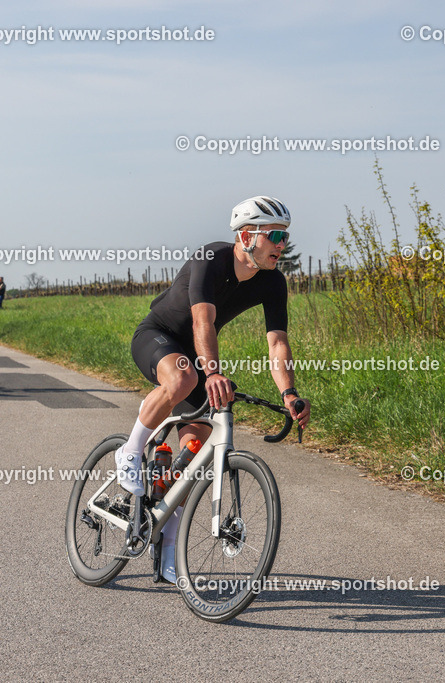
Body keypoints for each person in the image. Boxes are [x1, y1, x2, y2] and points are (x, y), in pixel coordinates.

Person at [115, 195, 311, 583]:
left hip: (195, 354)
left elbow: (277, 343)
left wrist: (289, 393)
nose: (281, 245)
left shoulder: (273, 282)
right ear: (246, 236)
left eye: (285, 237)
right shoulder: (211, 258)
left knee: (194, 454)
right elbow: (202, 322)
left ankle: (168, 551)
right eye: (274, 235)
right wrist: (213, 372)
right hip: (159, 336)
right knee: (185, 378)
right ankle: (130, 450)